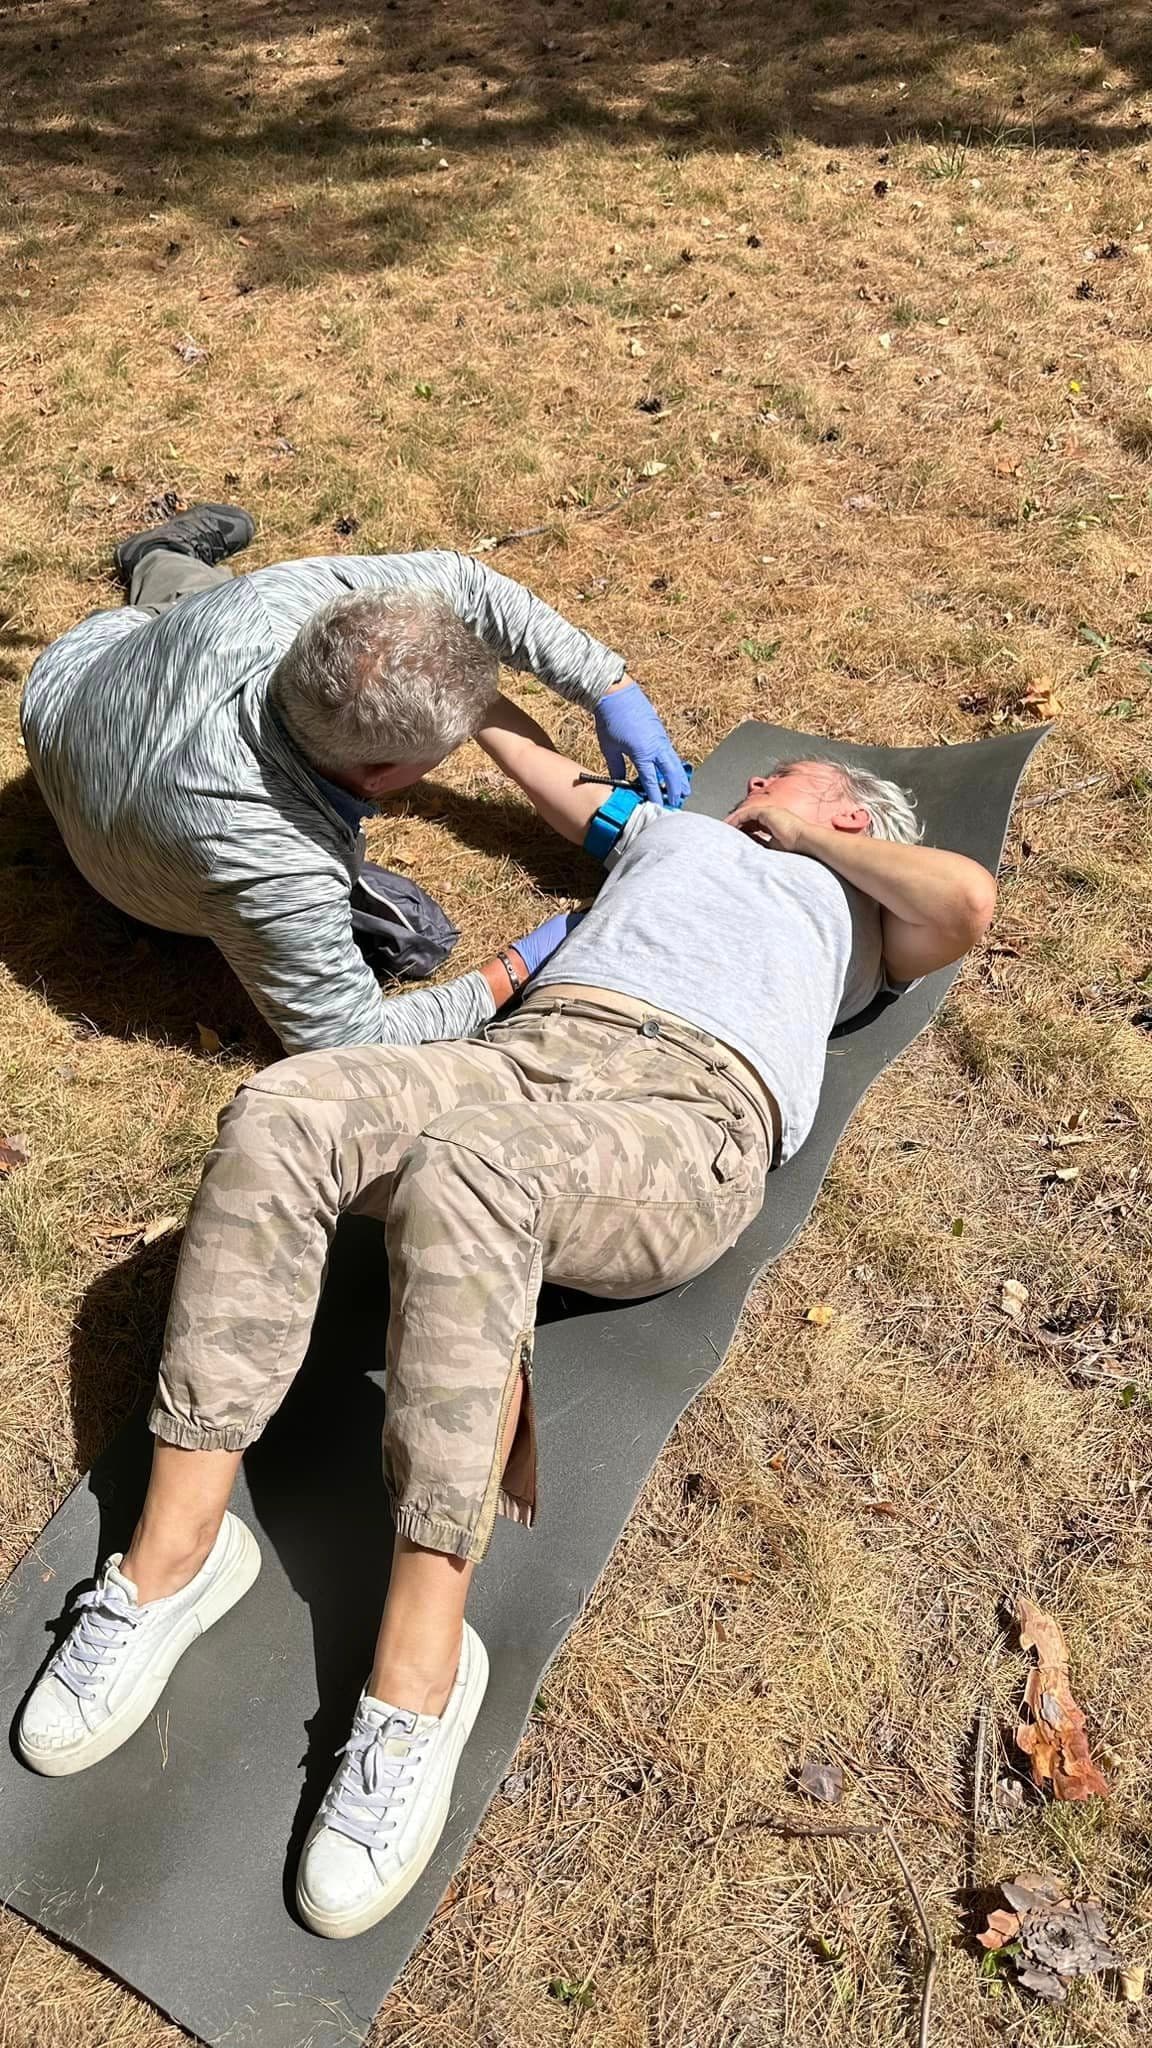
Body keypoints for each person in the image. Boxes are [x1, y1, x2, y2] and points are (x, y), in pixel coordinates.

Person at [18, 705, 998, 1942]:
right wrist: (482, 711)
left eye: (788, 776)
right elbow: (561, 788)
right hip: (525, 1050)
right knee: (285, 1108)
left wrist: (799, 832)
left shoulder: (862, 904)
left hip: (686, 1108)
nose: (748, 783)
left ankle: (421, 1671)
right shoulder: (671, 837)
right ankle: (173, 1555)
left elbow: (964, 903)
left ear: (848, 804)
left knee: (476, 1172)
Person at [20, 503, 688, 1051]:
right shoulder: (269, 856)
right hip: (119, 849)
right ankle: (165, 565)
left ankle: (158, 554)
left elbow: (467, 583)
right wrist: (515, 968)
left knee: (195, 601)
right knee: (409, 939)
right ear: (380, 775)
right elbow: (348, 1040)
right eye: (452, 744)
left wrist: (608, 684)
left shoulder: (279, 608)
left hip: (88, 675)